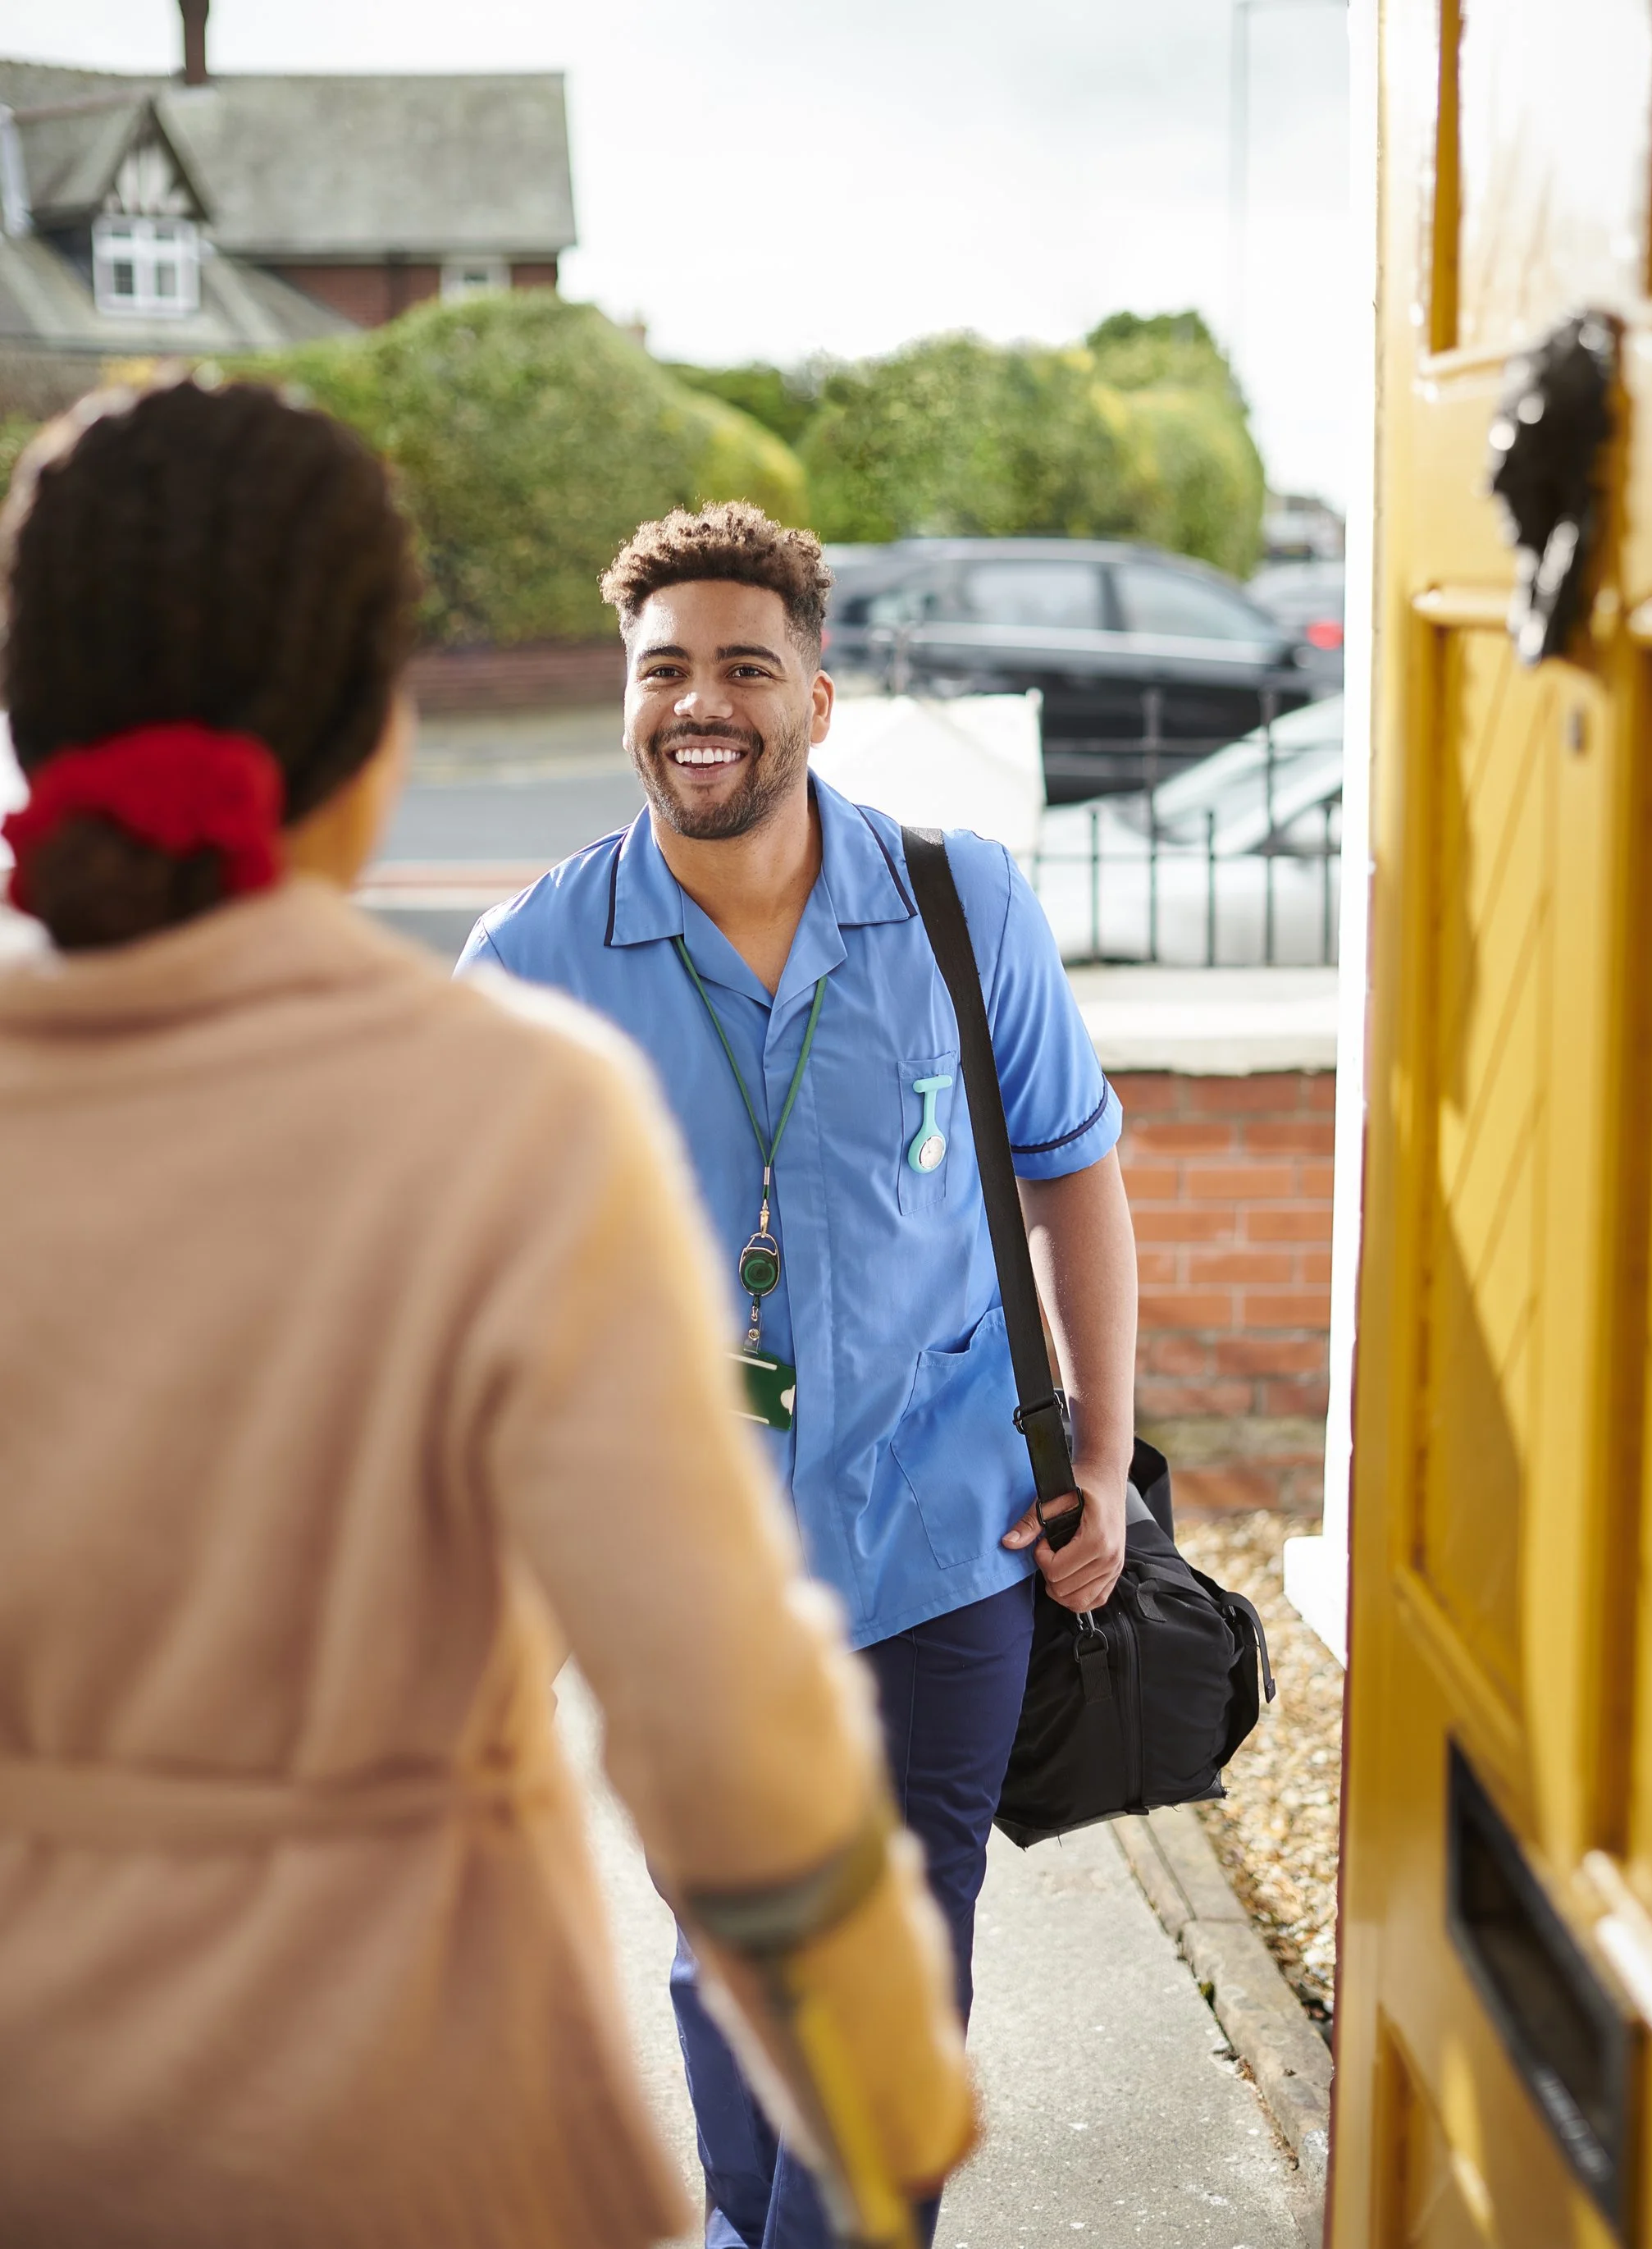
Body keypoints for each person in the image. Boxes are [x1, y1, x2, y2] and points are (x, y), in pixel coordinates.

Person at [0, 383, 974, 2248]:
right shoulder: (512, 1110)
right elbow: (719, 1726)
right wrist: (885, 2093)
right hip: (421, 2141)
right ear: (376, 727)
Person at [457, 501, 1140, 2249]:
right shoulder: (532, 962)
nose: (701, 701)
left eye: (743, 666)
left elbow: (1071, 1169)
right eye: (663, 667)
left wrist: (1103, 1456)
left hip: (942, 1543)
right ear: (626, 697)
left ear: (816, 700)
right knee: (731, 1960)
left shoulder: (956, 902)